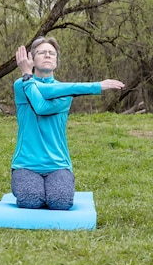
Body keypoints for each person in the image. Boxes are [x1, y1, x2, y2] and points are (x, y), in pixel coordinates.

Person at [11, 36, 125, 210]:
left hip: (58, 164)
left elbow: (45, 100)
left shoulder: (64, 92)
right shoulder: (21, 85)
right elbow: (40, 102)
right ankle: (30, 185)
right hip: (26, 163)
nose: (47, 55)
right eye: (41, 52)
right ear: (31, 59)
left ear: (57, 61)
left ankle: (53, 185)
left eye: (52, 53)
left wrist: (28, 76)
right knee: (30, 200)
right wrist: (94, 86)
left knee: (60, 202)